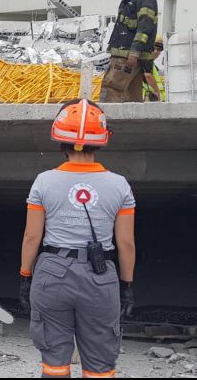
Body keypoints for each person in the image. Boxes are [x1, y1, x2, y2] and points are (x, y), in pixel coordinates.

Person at [20, 99, 136, 378]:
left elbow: (32, 236)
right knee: (100, 366)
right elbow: (126, 243)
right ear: (102, 139)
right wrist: (126, 285)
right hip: (101, 277)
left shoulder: (44, 181)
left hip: (52, 273)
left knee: (55, 365)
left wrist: (26, 276)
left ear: (59, 139)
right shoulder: (119, 185)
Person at [102, 0, 158, 103]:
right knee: (131, 97)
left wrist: (134, 51)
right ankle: (132, 125)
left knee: (112, 88)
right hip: (127, 55)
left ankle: (106, 122)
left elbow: (145, 25)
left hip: (127, 55)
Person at [142, 34, 166, 102]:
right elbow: (148, 76)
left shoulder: (154, 66)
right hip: (148, 101)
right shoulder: (144, 62)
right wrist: (157, 93)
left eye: (159, 49)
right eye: (153, 48)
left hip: (156, 102)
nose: (155, 51)